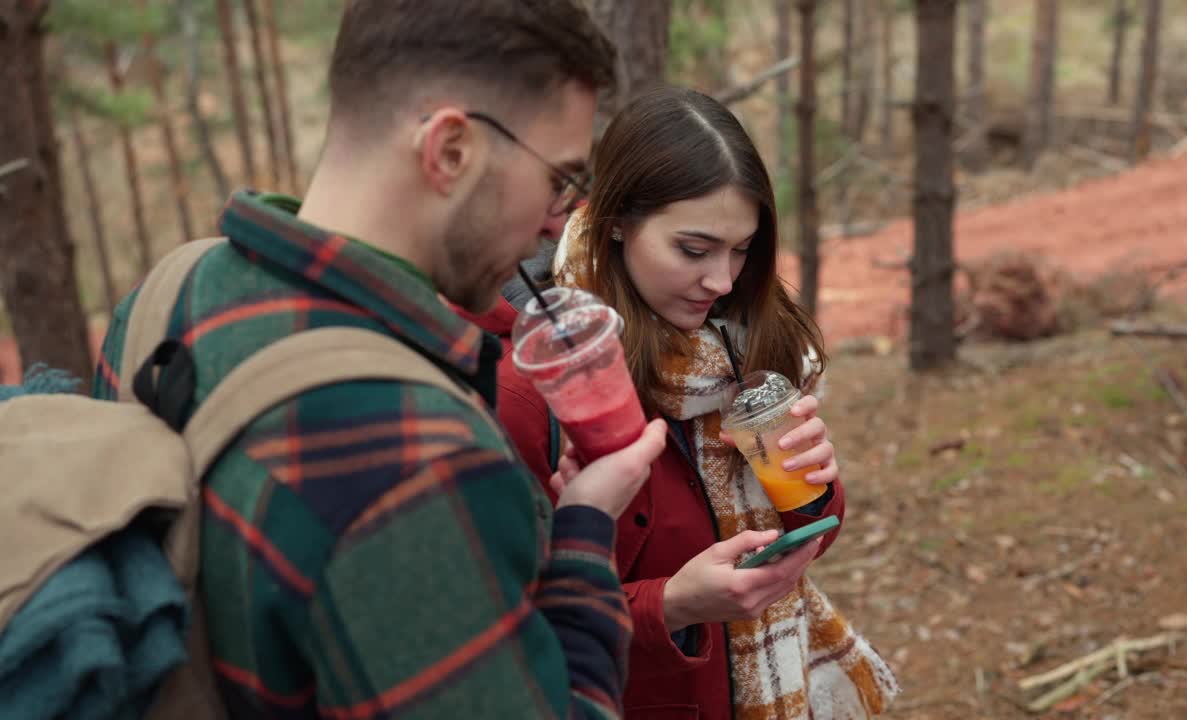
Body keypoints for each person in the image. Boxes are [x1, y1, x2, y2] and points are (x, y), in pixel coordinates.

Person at [90, 2, 669, 718]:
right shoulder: (417, 451)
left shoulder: (169, 293)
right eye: (559, 179)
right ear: (450, 149)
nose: (559, 219)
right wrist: (584, 532)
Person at [489, 87, 898, 719]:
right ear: (616, 221)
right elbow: (513, 625)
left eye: (742, 249)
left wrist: (815, 487)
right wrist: (671, 604)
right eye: (694, 249)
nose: (723, 280)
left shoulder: (744, 337)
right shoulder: (540, 379)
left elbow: (809, 533)